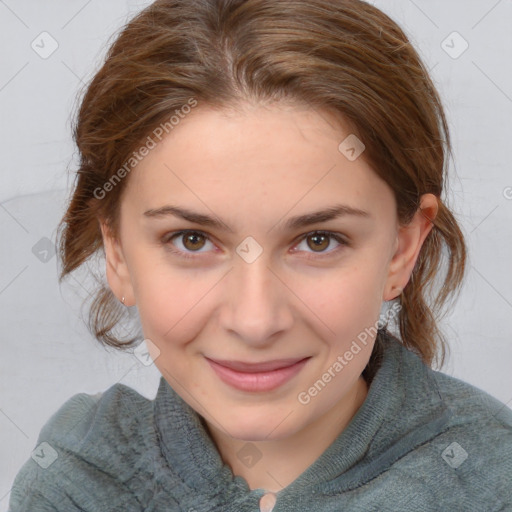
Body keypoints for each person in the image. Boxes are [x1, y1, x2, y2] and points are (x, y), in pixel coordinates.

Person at [8, 0, 512, 510]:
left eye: (319, 240)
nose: (255, 321)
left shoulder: (492, 481)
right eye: (192, 240)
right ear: (116, 252)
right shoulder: (74, 483)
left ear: (402, 249)